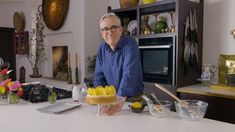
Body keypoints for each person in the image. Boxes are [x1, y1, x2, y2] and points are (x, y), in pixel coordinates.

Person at [93, 13, 144, 115]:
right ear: (102, 33)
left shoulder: (130, 44)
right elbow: (99, 77)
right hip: (112, 100)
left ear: (121, 29)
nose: (110, 32)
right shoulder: (102, 49)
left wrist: (119, 99)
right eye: (105, 29)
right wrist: (102, 99)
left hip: (132, 101)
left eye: (114, 27)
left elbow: (129, 74)